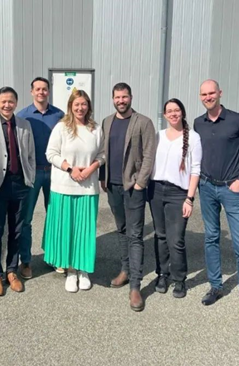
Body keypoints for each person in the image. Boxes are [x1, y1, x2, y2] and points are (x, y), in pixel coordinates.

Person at [193, 79, 239, 324]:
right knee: (211, 237)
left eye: (212, 93)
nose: (208, 97)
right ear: (200, 97)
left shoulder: (237, 120)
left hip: (231, 189)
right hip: (206, 187)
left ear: (220, 93)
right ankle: (216, 286)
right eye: (204, 94)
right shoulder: (198, 123)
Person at [100, 82, 156, 312]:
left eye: (124, 97)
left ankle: (135, 286)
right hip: (113, 185)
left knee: (135, 235)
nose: (121, 101)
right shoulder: (107, 121)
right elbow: (104, 152)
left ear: (131, 97)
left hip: (133, 186)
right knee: (122, 230)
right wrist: (103, 177)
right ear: (113, 99)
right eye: (117, 97)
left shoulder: (143, 122)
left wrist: (141, 182)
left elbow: (149, 154)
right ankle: (125, 269)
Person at [43, 90, 105, 293]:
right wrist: (70, 168)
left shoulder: (96, 129)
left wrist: (91, 168)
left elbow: (102, 154)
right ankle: (70, 270)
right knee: (67, 230)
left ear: (89, 106)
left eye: (84, 104)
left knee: (85, 230)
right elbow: (51, 153)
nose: (80, 108)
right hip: (63, 186)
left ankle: (83, 269)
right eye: (76, 104)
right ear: (70, 106)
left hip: (88, 187)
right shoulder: (62, 127)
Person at [0, 87, 36, 297]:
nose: (7, 105)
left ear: (16, 103)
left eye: (11, 101)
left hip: (20, 184)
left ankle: (11, 271)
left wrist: (29, 177)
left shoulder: (24, 124)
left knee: (17, 230)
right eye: (3, 101)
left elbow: (31, 154)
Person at [148, 98, 202, 300]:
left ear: (182, 112)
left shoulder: (193, 138)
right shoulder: (158, 136)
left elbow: (196, 170)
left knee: (176, 239)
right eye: (169, 111)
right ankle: (162, 274)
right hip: (156, 190)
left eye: (176, 110)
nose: (173, 114)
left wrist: (190, 198)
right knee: (160, 235)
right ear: (164, 115)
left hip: (179, 193)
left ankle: (179, 279)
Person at [16, 77, 65, 279]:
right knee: (26, 219)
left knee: (55, 216)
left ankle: (54, 257)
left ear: (49, 91)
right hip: (32, 172)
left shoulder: (59, 115)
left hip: (55, 172)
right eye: (37, 89)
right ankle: (26, 261)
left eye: (44, 89)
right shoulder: (23, 116)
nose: (41, 92)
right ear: (32, 91)